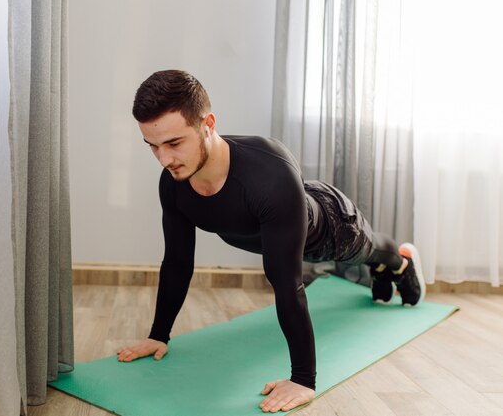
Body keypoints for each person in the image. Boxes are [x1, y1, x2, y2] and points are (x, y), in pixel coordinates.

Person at [116, 70, 426, 413]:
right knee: (362, 259)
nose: (164, 159)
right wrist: (159, 334)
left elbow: (287, 283)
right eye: (153, 146)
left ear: (208, 124)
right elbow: (177, 262)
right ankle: (384, 269)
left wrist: (303, 380)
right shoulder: (173, 183)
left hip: (331, 226)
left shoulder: (267, 174)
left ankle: (400, 262)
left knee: (368, 250)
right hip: (283, 223)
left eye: (174, 143)